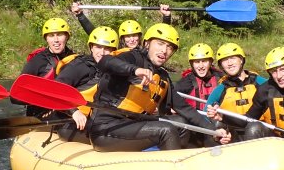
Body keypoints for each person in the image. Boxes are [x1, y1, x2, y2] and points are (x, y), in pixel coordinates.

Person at [87, 23, 230, 152]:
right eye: (160, 44)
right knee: (166, 130)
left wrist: (214, 131)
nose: (164, 51)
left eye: (170, 47)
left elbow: (185, 109)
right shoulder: (132, 58)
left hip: (133, 125)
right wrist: (134, 70)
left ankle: (176, 161)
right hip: (106, 129)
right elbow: (106, 62)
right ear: (147, 43)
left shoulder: (163, 77)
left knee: (181, 122)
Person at [52, 26, 118, 142]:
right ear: (91, 47)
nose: (102, 52)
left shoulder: (114, 70)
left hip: (97, 119)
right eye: (98, 47)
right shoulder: (81, 66)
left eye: (107, 49)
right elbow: (55, 89)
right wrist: (74, 111)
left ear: (114, 51)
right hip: (70, 122)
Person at [14, 17, 75, 116]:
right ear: (46, 38)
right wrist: (43, 99)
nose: (56, 40)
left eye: (60, 35)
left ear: (67, 37)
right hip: (40, 116)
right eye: (51, 36)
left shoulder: (75, 59)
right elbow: (16, 96)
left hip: (69, 115)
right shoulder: (37, 61)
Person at [70, 2, 172, 48]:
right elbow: (94, 34)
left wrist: (166, 17)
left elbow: (162, 37)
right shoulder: (117, 50)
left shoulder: (145, 50)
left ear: (140, 36)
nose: (132, 39)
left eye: (134, 35)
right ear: (122, 38)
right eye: (128, 36)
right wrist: (80, 15)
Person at [174, 43, 223, 111]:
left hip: (217, 117)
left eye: (204, 61)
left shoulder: (222, 78)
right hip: (194, 118)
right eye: (197, 62)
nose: (201, 66)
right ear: (192, 64)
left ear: (210, 62)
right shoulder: (185, 82)